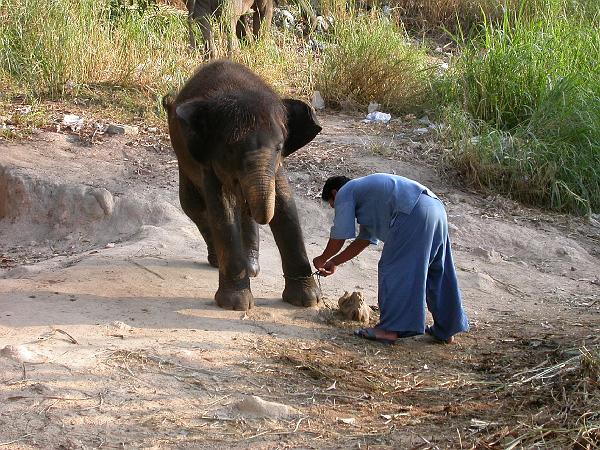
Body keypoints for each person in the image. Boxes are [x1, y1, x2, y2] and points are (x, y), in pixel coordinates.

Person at [313, 173, 468, 344]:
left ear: (334, 194)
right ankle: (446, 329)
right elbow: (363, 241)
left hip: (412, 212)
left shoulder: (345, 192)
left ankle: (389, 330)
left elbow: (340, 235)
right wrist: (334, 262)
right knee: (437, 270)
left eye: (332, 205)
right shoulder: (369, 197)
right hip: (436, 209)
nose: (336, 208)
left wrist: (322, 258)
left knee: (393, 269)